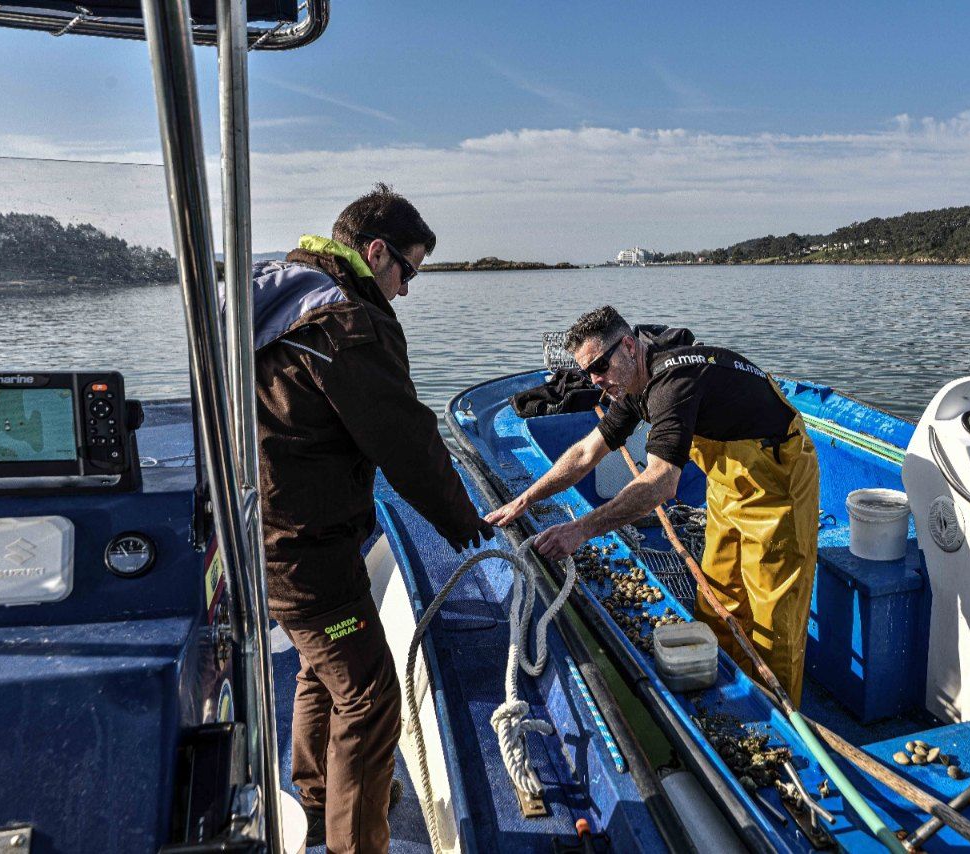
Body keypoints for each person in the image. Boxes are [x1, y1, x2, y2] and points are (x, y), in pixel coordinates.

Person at [249, 183, 491, 852]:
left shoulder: (285, 292)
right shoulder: (344, 320)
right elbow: (404, 436)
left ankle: (324, 794)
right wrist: (463, 521)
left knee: (317, 669)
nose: (407, 290)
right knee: (372, 699)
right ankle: (354, 839)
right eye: (406, 271)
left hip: (267, 534)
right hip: (307, 547)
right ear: (375, 251)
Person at [487, 306, 819, 703]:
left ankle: (780, 714)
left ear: (628, 345)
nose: (596, 380)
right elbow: (584, 455)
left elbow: (662, 481)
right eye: (586, 373)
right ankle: (731, 692)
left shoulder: (672, 382)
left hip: (776, 477)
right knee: (717, 594)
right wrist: (525, 499)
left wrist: (581, 529)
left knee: (772, 614)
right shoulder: (630, 381)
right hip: (728, 480)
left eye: (599, 366)